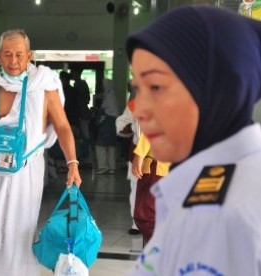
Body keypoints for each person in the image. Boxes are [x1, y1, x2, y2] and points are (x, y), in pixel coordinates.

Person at [127, 5, 261, 275]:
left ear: (215, 87)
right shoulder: (194, 183)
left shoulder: (248, 205)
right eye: (137, 89)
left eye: (156, 87)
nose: (139, 109)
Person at [0, 29, 82, 276]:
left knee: (22, 230)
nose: (13, 61)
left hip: (27, 169)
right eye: (7, 55)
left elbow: (62, 127)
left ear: (29, 55)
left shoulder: (43, 85)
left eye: (19, 55)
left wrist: (72, 162)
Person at [116, 96, 140, 235]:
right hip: (137, 151)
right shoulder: (134, 104)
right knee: (136, 187)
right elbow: (122, 123)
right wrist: (131, 126)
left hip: (161, 154)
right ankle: (136, 223)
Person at [94, 78, 118, 175]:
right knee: (111, 146)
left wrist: (97, 110)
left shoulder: (109, 96)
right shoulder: (112, 95)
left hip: (107, 123)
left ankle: (103, 166)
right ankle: (112, 167)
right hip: (112, 123)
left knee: (100, 145)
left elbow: (107, 111)